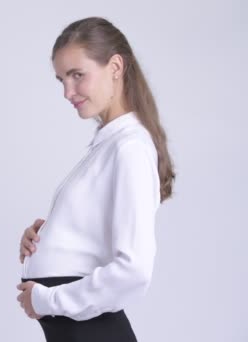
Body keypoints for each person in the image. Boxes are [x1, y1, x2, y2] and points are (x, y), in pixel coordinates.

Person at [15, 17, 175, 341]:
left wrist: (47, 299)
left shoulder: (129, 147)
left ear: (115, 66)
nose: (67, 92)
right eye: (61, 80)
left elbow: (134, 271)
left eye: (77, 75)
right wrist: (48, 236)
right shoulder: (109, 145)